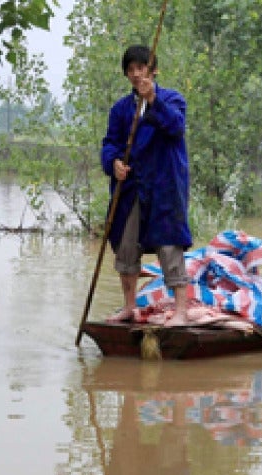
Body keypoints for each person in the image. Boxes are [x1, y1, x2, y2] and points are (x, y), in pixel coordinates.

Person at [101, 45, 193, 326]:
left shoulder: (172, 100)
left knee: (169, 245)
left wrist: (152, 99)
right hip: (131, 189)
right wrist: (114, 162)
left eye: (141, 68)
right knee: (126, 245)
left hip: (164, 186)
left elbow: (176, 127)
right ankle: (130, 306)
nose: (135, 74)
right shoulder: (120, 109)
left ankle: (181, 311)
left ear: (153, 70)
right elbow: (110, 145)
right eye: (130, 70)